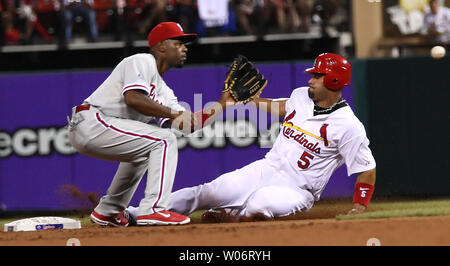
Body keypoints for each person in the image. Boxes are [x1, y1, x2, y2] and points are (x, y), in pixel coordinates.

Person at [127, 53, 376, 223]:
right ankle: (138, 213)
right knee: (206, 192)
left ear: (334, 80)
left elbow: (367, 169)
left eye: (318, 76)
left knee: (258, 206)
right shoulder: (301, 96)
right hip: (265, 168)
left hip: (298, 188)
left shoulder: (349, 126)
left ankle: (230, 215)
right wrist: (252, 99)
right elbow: (281, 108)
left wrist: (360, 207)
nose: (311, 79)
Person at [67, 22, 235, 227]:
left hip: (100, 126)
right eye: (179, 42)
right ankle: (153, 209)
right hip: (91, 122)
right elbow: (134, 98)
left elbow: (187, 125)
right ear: (162, 45)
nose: (185, 47)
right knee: (163, 140)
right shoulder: (142, 61)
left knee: (148, 148)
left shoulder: (165, 91)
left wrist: (224, 103)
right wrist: (173, 113)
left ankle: (109, 211)